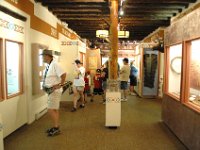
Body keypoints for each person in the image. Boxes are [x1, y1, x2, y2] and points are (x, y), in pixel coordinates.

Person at [41, 49, 66, 136]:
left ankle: (56, 128)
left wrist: (60, 84)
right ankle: (56, 126)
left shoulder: (55, 64)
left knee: (50, 109)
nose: (42, 58)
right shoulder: (49, 65)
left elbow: (63, 74)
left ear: (47, 56)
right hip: (51, 91)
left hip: (54, 91)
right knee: (54, 109)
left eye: (43, 56)